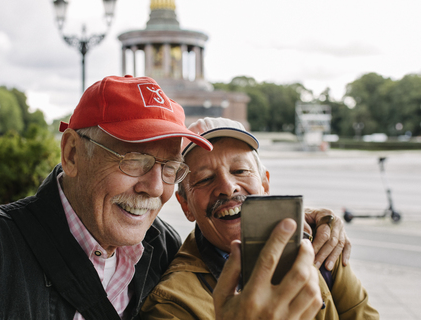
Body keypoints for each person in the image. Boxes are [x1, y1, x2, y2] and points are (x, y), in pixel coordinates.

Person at [0, 77, 336, 320]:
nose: (154, 188)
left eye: (169, 168)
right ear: (72, 154)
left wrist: (312, 226)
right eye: (135, 160)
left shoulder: (164, 252)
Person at [140, 117, 379, 320]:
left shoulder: (318, 243)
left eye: (240, 171)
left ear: (265, 184)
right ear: (186, 206)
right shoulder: (172, 304)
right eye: (204, 179)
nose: (228, 187)